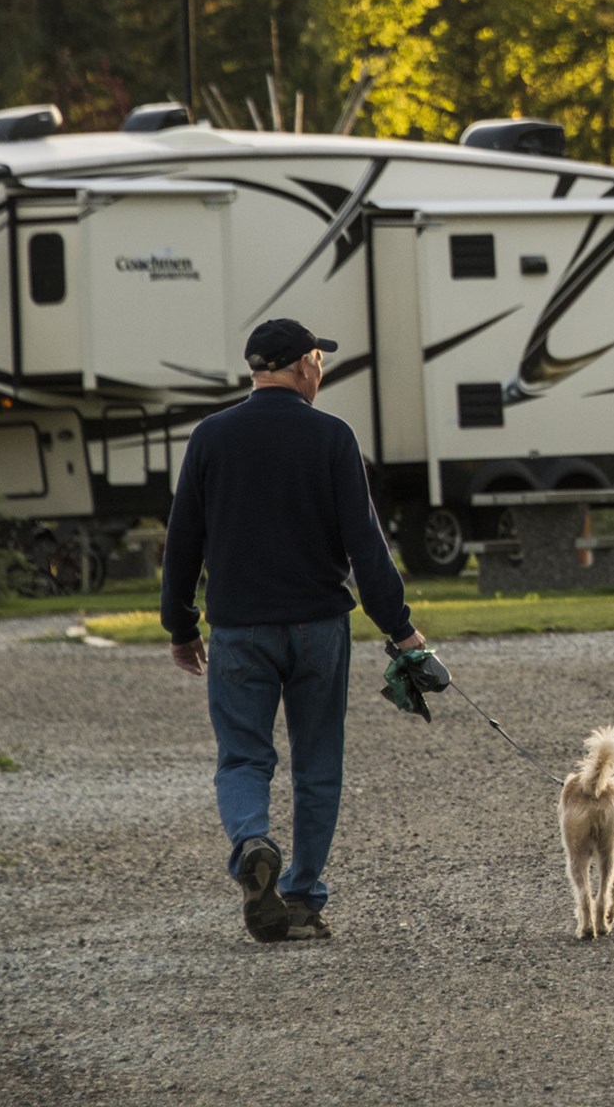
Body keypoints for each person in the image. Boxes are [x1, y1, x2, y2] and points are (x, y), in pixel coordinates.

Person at [161, 317, 431, 943]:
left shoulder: (210, 437)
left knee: (243, 757)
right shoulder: (332, 437)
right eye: (319, 358)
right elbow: (366, 545)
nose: (322, 369)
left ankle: (254, 841)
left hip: (239, 629)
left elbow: (183, 544)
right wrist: (402, 631)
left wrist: (181, 626)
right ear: (304, 365)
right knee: (317, 764)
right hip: (317, 627)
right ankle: (304, 900)